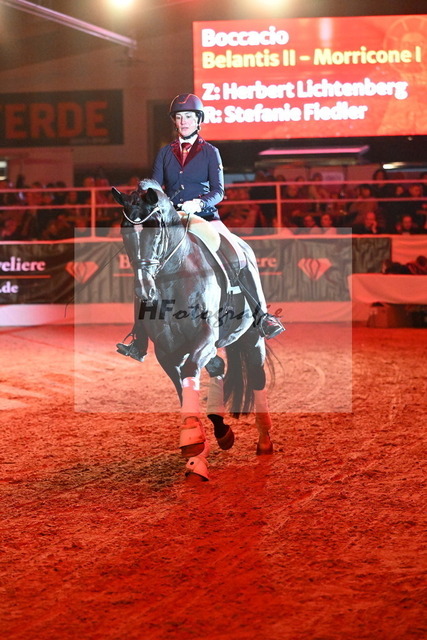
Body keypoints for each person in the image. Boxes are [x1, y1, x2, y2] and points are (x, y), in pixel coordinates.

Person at [117, 93, 284, 362]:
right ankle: (139, 337)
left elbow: (219, 191)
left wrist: (200, 203)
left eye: (189, 116)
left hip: (204, 216)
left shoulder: (210, 152)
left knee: (239, 254)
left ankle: (262, 316)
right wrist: (148, 194)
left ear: (198, 120)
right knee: (147, 268)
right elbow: (156, 187)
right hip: (172, 220)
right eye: (179, 117)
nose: (184, 121)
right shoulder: (165, 153)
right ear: (175, 121)